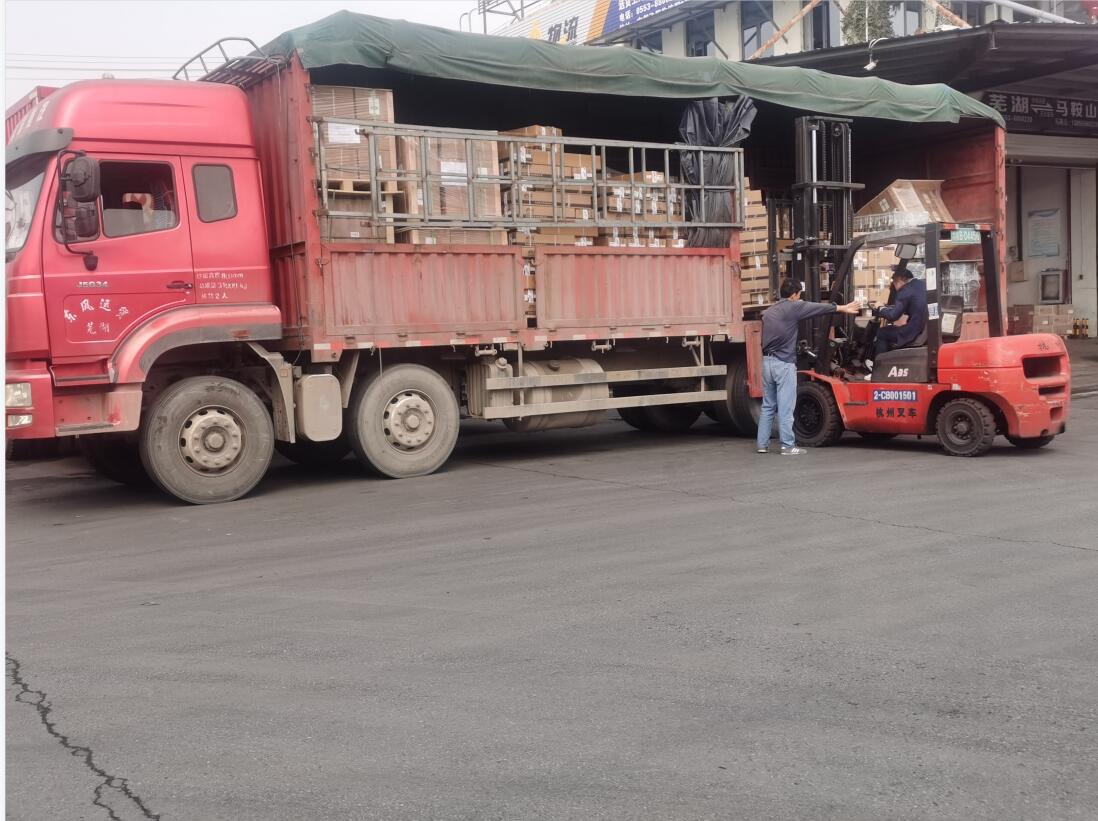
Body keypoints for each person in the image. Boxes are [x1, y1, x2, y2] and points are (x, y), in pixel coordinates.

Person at [756, 279, 860, 455]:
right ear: (795, 295)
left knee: (768, 405)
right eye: (799, 295)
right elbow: (816, 308)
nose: (800, 298)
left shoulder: (769, 311)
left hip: (767, 363)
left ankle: (762, 444)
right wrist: (842, 308)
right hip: (783, 364)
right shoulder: (793, 306)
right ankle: (787, 446)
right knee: (786, 407)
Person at [870, 268, 928, 362]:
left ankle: (880, 365)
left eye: (894, 283)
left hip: (914, 331)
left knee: (882, 333)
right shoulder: (921, 284)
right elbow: (911, 305)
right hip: (923, 328)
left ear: (899, 280)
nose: (894, 287)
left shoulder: (905, 291)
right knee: (891, 329)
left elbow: (893, 316)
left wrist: (880, 308)